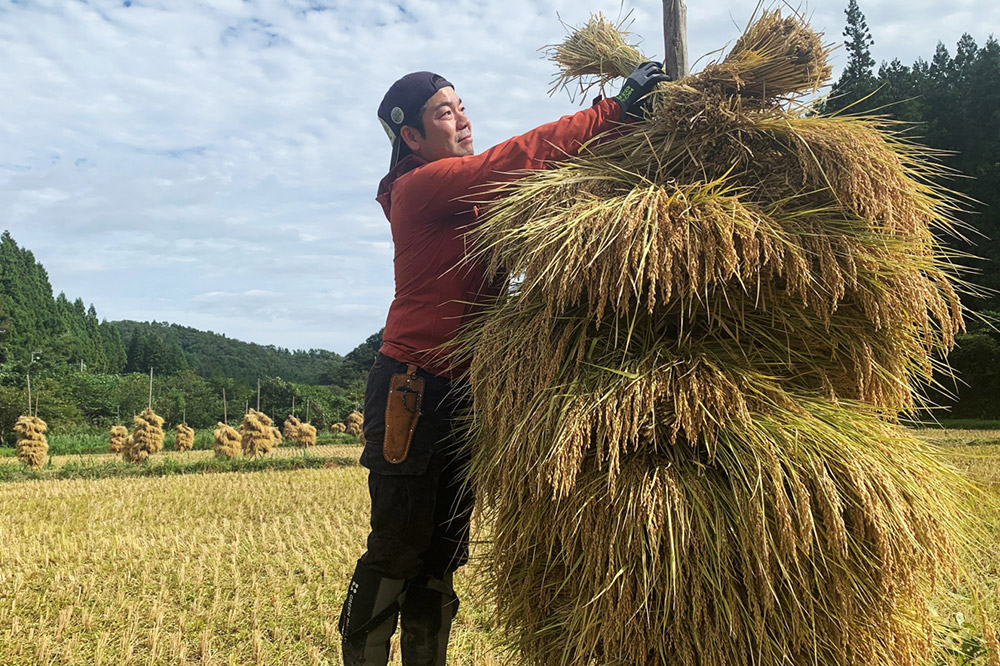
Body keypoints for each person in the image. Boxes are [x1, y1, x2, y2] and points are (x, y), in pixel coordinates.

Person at [338, 62, 670, 666]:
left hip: (466, 393)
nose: (463, 119)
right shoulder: (423, 187)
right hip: (412, 390)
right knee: (396, 546)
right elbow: (512, 161)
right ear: (410, 137)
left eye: (462, 106)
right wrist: (612, 111)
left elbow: (543, 171)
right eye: (444, 112)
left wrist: (626, 132)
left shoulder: (467, 192)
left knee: (442, 554)